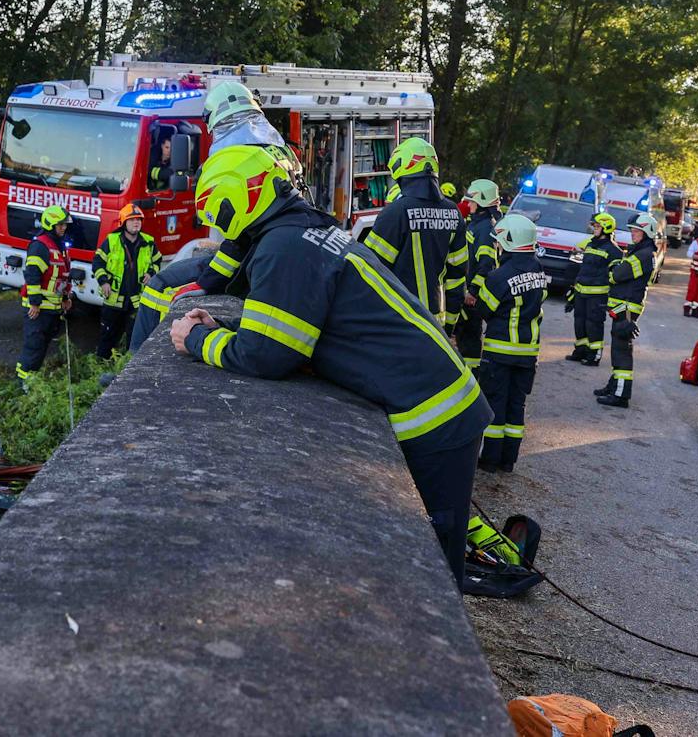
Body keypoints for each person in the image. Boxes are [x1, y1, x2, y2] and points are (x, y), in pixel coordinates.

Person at [170, 145, 490, 584]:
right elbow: (294, 320)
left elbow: (268, 355)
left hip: (434, 416)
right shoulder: (301, 229)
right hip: (439, 401)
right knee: (431, 545)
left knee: (432, 561)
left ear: (231, 201)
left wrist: (200, 339)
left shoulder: (284, 245)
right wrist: (228, 323)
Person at [129, 80, 302, 352]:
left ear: (215, 117)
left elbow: (239, 234)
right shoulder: (275, 147)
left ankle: (137, 358)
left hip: (254, 257)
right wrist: (209, 279)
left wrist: (206, 281)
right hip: (263, 253)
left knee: (160, 284)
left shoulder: (236, 152)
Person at [474, 213, 550, 473]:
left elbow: (484, 309)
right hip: (528, 354)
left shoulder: (498, 276)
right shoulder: (538, 268)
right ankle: (508, 460)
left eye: (498, 241)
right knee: (516, 407)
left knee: (495, 405)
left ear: (508, 241)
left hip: (499, 352)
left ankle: (490, 460)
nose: (496, 245)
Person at [364, 138, 467, 330]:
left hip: (399, 322)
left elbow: (369, 272)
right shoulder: (454, 213)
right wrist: (450, 324)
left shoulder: (395, 213)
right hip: (436, 325)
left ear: (401, 169)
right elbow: (457, 277)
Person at [595, 212, 661, 409]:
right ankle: (614, 386)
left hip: (627, 309)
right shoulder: (641, 252)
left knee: (622, 351)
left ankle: (621, 395)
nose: (632, 233)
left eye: (636, 231)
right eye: (632, 230)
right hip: (623, 307)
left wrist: (614, 270)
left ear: (646, 232)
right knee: (618, 349)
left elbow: (617, 275)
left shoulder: (641, 255)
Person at [93, 203, 161, 359]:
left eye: (138, 219)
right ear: (124, 223)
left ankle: (126, 367)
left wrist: (151, 273)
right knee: (108, 338)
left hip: (136, 302)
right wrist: (103, 282)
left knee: (134, 339)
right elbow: (97, 263)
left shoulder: (149, 242)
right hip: (114, 301)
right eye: (132, 220)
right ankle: (102, 366)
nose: (136, 222)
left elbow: (158, 262)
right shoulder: (112, 240)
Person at [17, 204, 73, 385]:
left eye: (65, 224)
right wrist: (34, 303)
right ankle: (22, 384)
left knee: (41, 348)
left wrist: (65, 298)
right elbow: (32, 276)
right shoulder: (40, 245)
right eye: (60, 225)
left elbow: (63, 275)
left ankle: (32, 382)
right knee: (33, 348)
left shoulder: (60, 246)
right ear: (50, 224)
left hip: (52, 308)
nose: (64, 228)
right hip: (38, 309)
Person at [457, 179, 503, 369]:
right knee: (464, 336)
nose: (469, 205)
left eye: (472, 201)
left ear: (482, 203)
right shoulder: (477, 224)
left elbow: (486, 265)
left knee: (470, 338)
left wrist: (473, 291)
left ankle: (473, 376)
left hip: (474, 296)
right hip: (470, 290)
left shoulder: (484, 229)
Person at [566, 212, 622, 366]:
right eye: (594, 226)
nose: (594, 229)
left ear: (606, 228)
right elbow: (582, 268)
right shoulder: (590, 245)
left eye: (597, 226)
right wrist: (573, 289)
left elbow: (615, 277)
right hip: (581, 292)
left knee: (593, 325)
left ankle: (594, 355)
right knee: (580, 323)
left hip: (597, 295)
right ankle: (580, 351)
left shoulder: (615, 251)